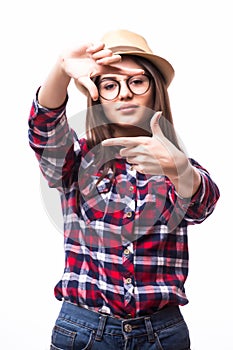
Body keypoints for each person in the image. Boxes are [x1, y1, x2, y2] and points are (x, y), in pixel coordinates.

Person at [28, 29, 220, 350]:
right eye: (110, 85)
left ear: (154, 89)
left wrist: (179, 169)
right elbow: (44, 129)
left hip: (162, 333)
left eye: (136, 82)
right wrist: (61, 69)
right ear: (96, 97)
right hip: (83, 330)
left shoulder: (176, 166)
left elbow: (203, 202)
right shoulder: (75, 163)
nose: (125, 94)